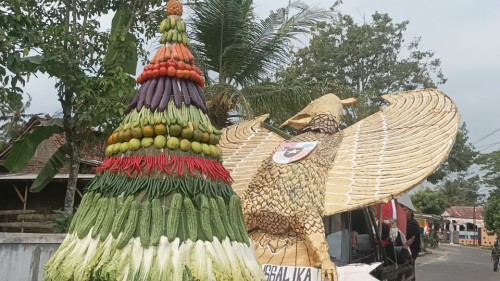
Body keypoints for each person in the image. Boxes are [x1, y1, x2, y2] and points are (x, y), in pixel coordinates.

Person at [397, 193, 421, 262]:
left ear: (410, 212)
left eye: (405, 210)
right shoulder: (402, 222)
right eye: (401, 210)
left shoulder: (412, 224)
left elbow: (404, 239)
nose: (402, 213)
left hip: (410, 252)